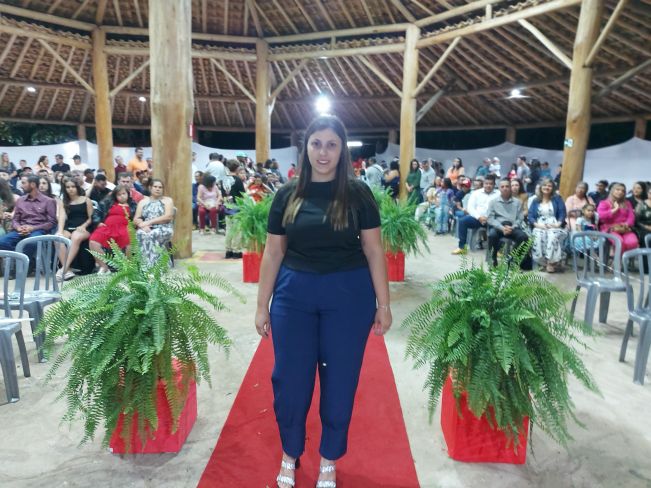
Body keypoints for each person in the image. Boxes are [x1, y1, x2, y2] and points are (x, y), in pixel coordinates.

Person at [257, 115, 390, 488]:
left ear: (342, 150)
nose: (323, 152)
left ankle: (329, 458)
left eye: (332, 144)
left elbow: (374, 250)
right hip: (293, 296)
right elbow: (273, 253)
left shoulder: (358, 194)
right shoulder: (287, 195)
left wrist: (384, 304)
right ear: (306, 147)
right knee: (290, 381)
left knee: (340, 380)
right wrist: (261, 304)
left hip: (348, 297)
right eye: (316, 143)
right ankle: (290, 452)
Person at [0, 175, 57, 260]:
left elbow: (52, 222)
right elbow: (15, 219)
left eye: (24, 183)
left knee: (31, 243)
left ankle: (22, 262)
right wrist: (18, 227)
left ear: (33, 185)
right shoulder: (20, 200)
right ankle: (20, 260)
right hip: (20, 230)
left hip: (38, 230)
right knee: (1, 242)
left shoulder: (49, 201)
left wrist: (32, 228)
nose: (21, 186)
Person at [89, 185, 137, 274]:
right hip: (108, 227)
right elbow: (97, 213)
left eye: (124, 193)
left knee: (130, 240)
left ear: (128, 194)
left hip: (125, 227)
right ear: (115, 196)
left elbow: (137, 217)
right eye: (119, 194)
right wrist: (98, 222)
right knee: (93, 241)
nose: (122, 196)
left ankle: (128, 268)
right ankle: (104, 267)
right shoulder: (108, 203)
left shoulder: (133, 205)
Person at [487, 178, 531, 269]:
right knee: (492, 235)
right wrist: (502, 228)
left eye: (507, 186)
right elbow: (490, 219)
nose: (505, 188)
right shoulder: (493, 202)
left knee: (523, 237)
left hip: (513, 227)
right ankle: (493, 260)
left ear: (510, 188)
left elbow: (520, 218)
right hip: (499, 227)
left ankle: (513, 261)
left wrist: (513, 227)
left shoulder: (517, 202)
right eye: (502, 187)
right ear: (499, 188)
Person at [55, 178, 94, 281]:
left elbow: (91, 218)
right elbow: (62, 217)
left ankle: (64, 269)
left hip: (84, 227)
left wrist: (83, 226)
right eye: (68, 187)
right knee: (57, 239)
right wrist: (60, 231)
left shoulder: (86, 200)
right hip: (69, 227)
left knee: (75, 237)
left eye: (73, 187)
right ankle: (67, 270)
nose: (70, 189)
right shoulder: (64, 201)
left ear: (77, 187)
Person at [528, 178, 567, 273]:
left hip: (554, 224)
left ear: (553, 188)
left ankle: (551, 262)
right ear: (541, 187)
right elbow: (530, 215)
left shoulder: (557, 199)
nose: (547, 187)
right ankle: (542, 262)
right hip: (539, 225)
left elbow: (562, 213)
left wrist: (557, 224)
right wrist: (537, 225)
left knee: (552, 235)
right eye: (545, 185)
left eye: (549, 186)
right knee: (537, 235)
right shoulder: (535, 200)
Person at [452, 175, 498, 254]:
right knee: (463, 221)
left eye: (491, 184)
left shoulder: (498, 194)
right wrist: (479, 217)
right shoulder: (476, 193)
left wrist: (488, 217)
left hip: (492, 219)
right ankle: (462, 247)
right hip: (478, 219)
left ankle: (497, 249)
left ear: (494, 185)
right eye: (486, 183)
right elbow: (470, 208)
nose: (488, 185)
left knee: (499, 226)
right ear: (483, 184)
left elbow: (500, 209)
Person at [133, 179, 174, 268]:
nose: (158, 189)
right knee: (140, 234)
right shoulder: (143, 201)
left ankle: (155, 267)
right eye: (155, 187)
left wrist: (148, 222)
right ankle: (145, 266)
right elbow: (136, 218)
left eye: (160, 187)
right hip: (147, 227)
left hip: (164, 227)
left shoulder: (167, 200)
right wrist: (142, 226)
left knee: (152, 235)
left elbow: (168, 217)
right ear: (150, 188)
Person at [597, 182, 638, 254]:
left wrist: (626, 224)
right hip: (609, 229)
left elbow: (631, 216)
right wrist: (615, 209)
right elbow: (601, 216)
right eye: (618, 189)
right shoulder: (604, 203)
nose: (620, 192)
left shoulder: (627, 203)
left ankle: (624, 259)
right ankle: (617, 260)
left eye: (623, 191)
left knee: (633, 242)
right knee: (619, 242)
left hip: (624, 228)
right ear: (612, 190)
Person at [223, 160, 246, 259]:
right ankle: (236, 251)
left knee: (228, 229)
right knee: (237, 230)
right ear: (237, 169)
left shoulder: (224, 180)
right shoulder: (237, 180)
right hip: (237, 208)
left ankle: (228, 251)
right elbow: (242, 194)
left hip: (227, 207)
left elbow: (223, 194)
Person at [634, 185, 651, 249]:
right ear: (647, 193)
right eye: (650, 193)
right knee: (645, 236)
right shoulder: (641, 204)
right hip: (643, 227)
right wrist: (647, 227)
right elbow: (636, 221)